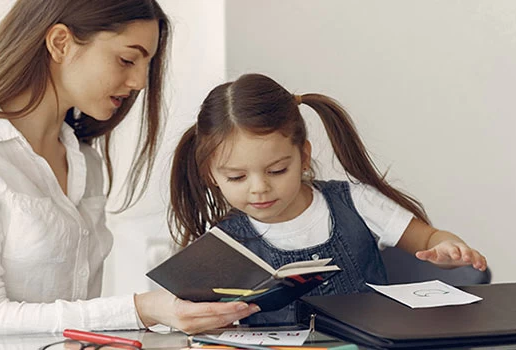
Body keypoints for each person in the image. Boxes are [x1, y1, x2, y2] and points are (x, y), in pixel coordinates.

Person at [0, 0, 259, 338]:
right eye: (128, 60)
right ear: (61, 43)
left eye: (148, 65)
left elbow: (71, 316)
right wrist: (142, 309)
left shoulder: (86, 163)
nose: (140, 83)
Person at [168, 73, 488, 325]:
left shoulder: (354, 202)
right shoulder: (222, 244)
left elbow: (429, 237)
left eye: (277, 170)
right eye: (236, 177)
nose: (259, 188)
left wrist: (447, 246)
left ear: (304, 156)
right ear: (210, 174)